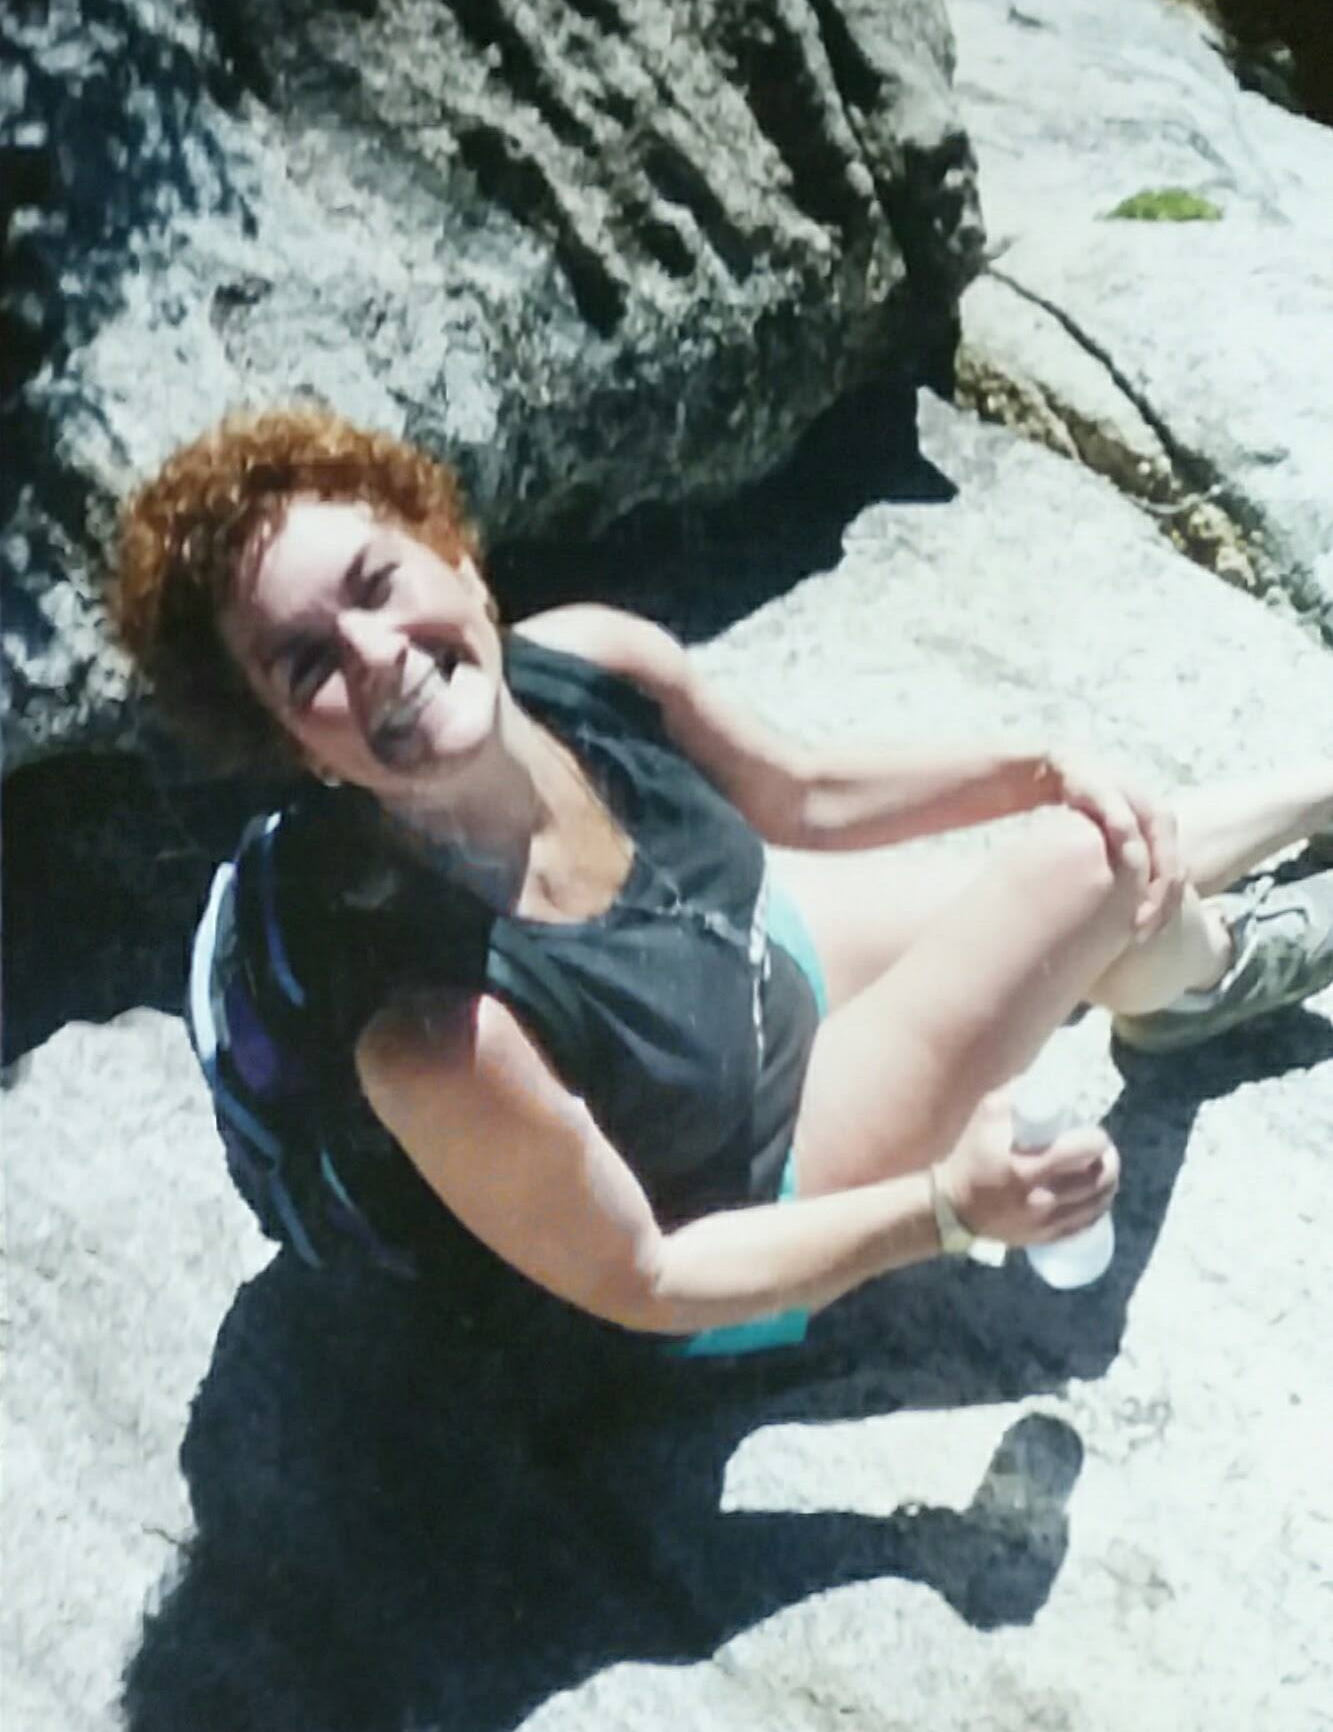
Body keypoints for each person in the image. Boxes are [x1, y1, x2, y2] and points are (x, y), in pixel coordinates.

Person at [115, 408, 1333, 1350]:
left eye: (376, 584)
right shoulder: (439, 1034)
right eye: (306, 663)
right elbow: (643, 1278)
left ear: (454, 561)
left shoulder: (585, 663)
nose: (378, 659)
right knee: (1084, 870)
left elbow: (798, 791)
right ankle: (1203, 979)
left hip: (742, 963)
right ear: (288, 744)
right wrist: (950, 1211)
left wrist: (1036, 765)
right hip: (739, 1190)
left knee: (1088, 841)